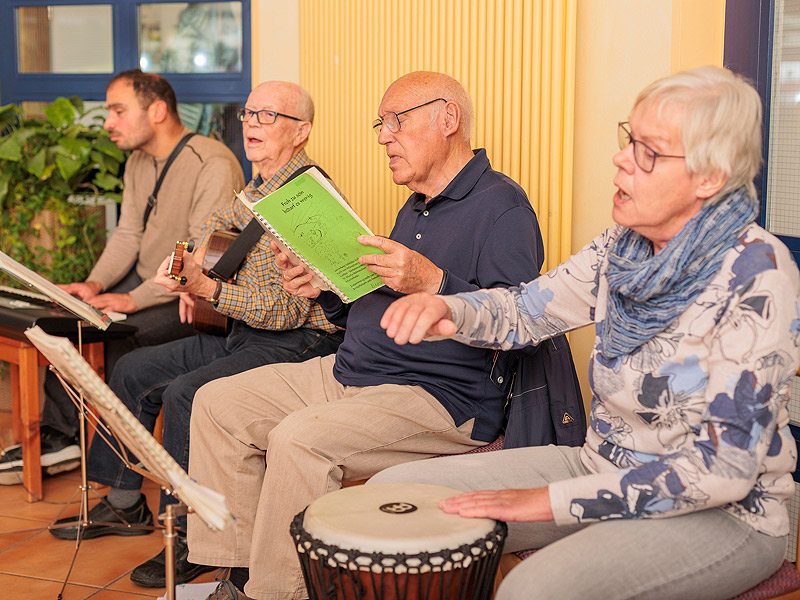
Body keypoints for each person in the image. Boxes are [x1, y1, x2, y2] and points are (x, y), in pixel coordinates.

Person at [371, 66, 800, 600]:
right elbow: (527, 310)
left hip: (726, 514)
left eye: (649, 151)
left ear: (709, 177)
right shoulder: (622, 246)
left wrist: (544, 502)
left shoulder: (758, 273)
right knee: (391, 497)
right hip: (598, 465)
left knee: (534, 588)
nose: (622, 158)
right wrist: (450, 311)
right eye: (629, 140)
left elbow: (724, 469)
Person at [186, 71, 545, 600]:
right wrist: (325, 288)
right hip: (355, 370)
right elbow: (380, 301)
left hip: (439, 395)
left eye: (396, 121)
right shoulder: (417, 203)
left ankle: (276, 594)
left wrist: (435, 282)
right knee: (218, 403)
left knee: (299, 440)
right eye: (381, 123)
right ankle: (236, 577)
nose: (382, 136)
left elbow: (522, 326)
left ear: (448, 119)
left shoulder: (503, 208)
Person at [45, 81, 343, 589]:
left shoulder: (306, 200)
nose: (251, 123)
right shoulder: (256, 189)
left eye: (268, 116)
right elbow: (214, 225)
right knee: (133, 369)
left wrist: (209, 287)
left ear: (302, 132)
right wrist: (189, 262)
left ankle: (190, 535)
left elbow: (285, 312)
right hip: (242, 333)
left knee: (189, 393)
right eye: (249, 113)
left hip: (297, 344)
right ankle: (122, 502)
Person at [0, 69, 244, 484]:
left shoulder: (212, 163)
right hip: (145, 282)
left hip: (188, 297)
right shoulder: (137, 160)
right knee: (71, 321)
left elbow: (201, 258)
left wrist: (132, 300)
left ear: (158, 110)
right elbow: (128, 233)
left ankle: (75, 446)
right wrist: (94, 285)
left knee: (110, 336)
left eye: (118, 110)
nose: (108, 121)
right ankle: (62, 436)